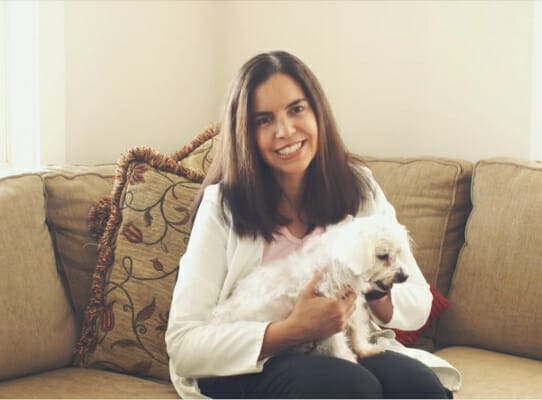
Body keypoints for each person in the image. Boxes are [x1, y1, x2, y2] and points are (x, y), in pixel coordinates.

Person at [166, 50, 452, 399]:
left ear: (318, 112)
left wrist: (375, 285)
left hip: (340, 342)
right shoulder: (223, 205)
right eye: (263, 120)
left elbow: (417, 302)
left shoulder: (358, 188)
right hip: (253, 359)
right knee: (351, 386)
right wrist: (292, 329)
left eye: (296, 109)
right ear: (245, 132)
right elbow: (184, 344)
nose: (285, 131)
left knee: (421, 388)